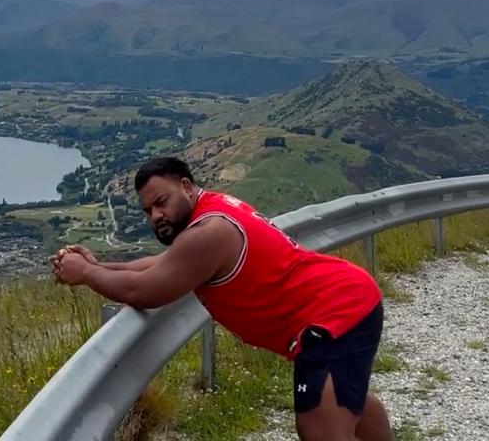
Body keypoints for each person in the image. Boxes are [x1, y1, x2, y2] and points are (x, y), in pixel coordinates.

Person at [51, 157, 393, 441]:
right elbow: (161, 266)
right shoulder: (209, 214)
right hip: (346, 298)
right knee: (348, 400)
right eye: (147, 211)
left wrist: (86, 274)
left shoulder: (208, 232)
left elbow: (144, 291)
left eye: (161, 202)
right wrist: (98, 265)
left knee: (319, 429)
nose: (155, 216)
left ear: (186, 187)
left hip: (334, 313)